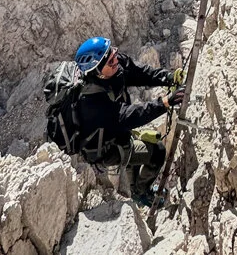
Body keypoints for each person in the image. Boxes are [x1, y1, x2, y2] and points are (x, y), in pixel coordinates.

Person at [73, 37, 184, 202]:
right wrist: (165, 102)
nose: (116, 59)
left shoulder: (114, 63)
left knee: (135, 153)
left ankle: (133, 186)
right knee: (157, 152)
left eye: (114, 53)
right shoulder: (91, 103)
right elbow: (128, 116)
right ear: (97, 72)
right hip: (105, 147)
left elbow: (139, 73)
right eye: (111, 61)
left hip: (116, 129)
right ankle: (142, 193)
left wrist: (168, 77)